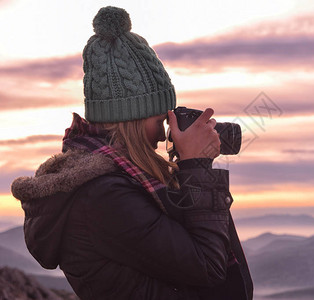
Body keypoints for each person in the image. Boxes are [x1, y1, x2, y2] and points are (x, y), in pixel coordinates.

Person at [11, 6, 253, 300]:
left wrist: (191, 167)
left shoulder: (118, 181)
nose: (164, 132)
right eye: (159, 120)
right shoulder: (105, 197)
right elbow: (209, 267)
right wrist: (196, 165)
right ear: (134, 120)